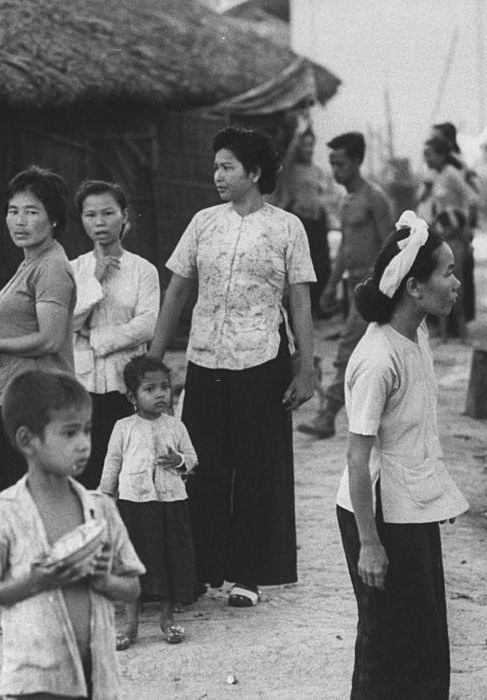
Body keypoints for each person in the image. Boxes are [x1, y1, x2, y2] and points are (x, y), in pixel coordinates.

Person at [148, 126, 317, 608]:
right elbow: (177, 289)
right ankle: (200, 569)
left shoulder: (287, 227)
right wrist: (155, 359)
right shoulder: (204, 222)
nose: (216, 175)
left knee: (257, 469)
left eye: (227, 167)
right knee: (199, 465)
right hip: (205, 358)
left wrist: (306, 367)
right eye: (216, 166)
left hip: (262, 361)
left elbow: (300, 299)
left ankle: (248, 575)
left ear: (254, 173)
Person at [336, 211, 468, 699]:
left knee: (427, 641)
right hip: (377, 514)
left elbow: (416, 435)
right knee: (387, 644)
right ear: (414, 287)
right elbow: (357, 458)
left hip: (410, 508)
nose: (456, 282)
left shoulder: (417, 336)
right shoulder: (377, 359)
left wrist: (434, 497)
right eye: (447, 272)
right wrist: (370, 544)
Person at [0, 369, 143, 699]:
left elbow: (132, 586)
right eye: (69, 433)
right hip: (34, 680)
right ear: (26, 440)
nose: (84, 444)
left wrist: (104, 581)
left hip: (95, 678)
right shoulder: (5, 513)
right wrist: (33, 582)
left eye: (88, 432)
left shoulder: (101, 509)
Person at [0, 166, 77, 514]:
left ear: (53, 220)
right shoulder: (29, 263)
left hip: (35, 398)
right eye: (13, 211)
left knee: (15, 501)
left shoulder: (50, 267)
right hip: (11, 396)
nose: (19, 221)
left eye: (32, 212)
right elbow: (16, 329)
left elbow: (50, 340)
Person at [300, 132, 394, 439]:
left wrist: (380, 288)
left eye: (340, 163)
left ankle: (327, 415)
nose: (335, 170)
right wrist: (330, 286)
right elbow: (344, 248)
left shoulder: (374, 198)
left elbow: (390, 246)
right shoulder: (348, 200)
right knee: (365, 352)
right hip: (353, 285)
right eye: (331, 164)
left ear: (356, 161)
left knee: (347, 349)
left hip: (372, 287)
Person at [99, 355, 197, 650]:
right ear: (132, 396)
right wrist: (105, 495)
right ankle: (131, 625)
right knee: (134, 563)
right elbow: (113, 460)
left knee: (169, 560)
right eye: (150, 389)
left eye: (164, 387)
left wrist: (179, 460)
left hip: (171, 503)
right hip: (134, 504)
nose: (160, 395)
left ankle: (166, 619)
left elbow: (192, 459)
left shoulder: (176, 426)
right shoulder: (123, 427)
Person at [70, 180, 159, 489]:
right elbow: (67, 322)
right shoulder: (74, 269)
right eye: (90, 215)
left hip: (126, 384)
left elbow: (146, 325)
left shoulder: (143, 270)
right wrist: (93, 281)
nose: (99, 222)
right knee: (87, 472)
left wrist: (94, 337)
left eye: (107, 213)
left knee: (128, 474)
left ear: (124, 215)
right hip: (83, 384)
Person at [273, 123, 340, 317]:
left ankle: (321, 306)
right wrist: (300, 130)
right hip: (300, 221)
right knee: (301, 265)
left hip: (317, 221)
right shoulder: (290, 170)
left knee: (322, 263)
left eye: (311, 145)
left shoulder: (318, 171)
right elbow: (288, 157)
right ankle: (302, 308)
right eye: (304, 145)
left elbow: (329, 195)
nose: (308, 150)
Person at [418, 137, 476, 339]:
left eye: (430, 155)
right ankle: (444, 333)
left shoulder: (451, 174)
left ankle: (462, 332)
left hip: (455, 237)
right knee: (438, 282)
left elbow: (471, 199)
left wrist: (465, 229)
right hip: (441, 235)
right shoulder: (435, 176)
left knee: (456, 283)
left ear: (442, 155)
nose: (427, 159)